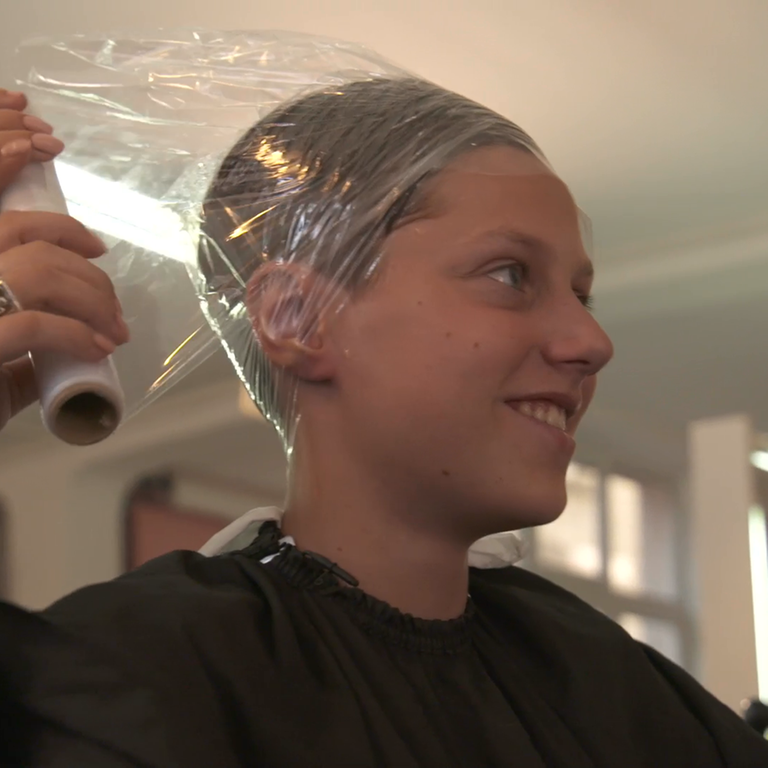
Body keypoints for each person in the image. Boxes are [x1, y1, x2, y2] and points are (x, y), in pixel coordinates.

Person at [0, 81, 765, 768]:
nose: (590, 343)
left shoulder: (607, 683)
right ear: (297, 315)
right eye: (510, 275)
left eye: (581, 295)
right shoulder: (153, 674)